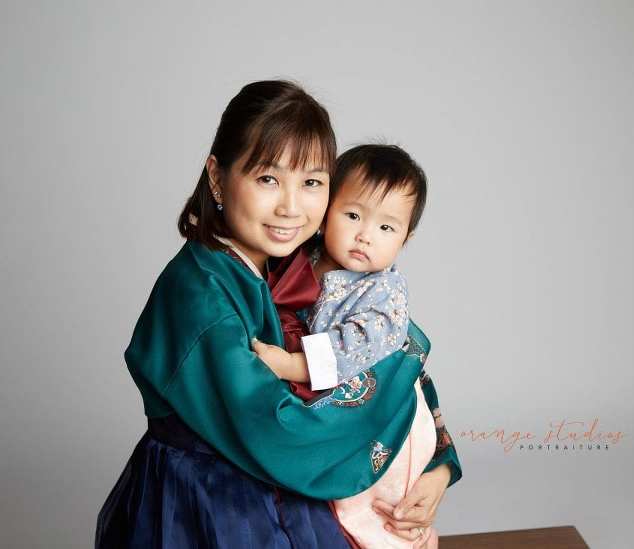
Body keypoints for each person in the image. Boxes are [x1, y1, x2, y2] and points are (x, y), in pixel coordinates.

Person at [95, 80, 454, 549]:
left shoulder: (301, 264)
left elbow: (392, 354)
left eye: (311, 183)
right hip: (208, 510)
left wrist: (435, 468)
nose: (290, 206)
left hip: (286, 503)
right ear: (218, 177)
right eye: (267, 178)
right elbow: (287, 430)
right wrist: (395, 359)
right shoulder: (201, 296)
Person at [253, 145, 461, 548]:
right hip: (337, 410)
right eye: (352, 216)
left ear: (406, 237)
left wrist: (291, 366)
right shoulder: (303, 257)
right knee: (340, 504)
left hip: (390, 418)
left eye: (387, 228)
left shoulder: (385, 293)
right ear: (327, 208)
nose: (365, 235)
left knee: (372, 500)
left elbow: (355, 347)